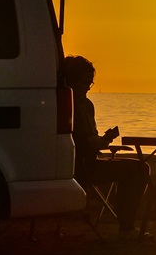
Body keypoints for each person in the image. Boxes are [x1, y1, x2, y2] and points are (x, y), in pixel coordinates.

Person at [63, 55, 150, 240]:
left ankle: (126, 223)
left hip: (90, 160)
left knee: (142, 167)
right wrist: (99, 142)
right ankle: (126, 228)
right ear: (72, 80)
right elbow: (83, 141)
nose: (87, 87)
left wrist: (102, 141)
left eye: (90, 83)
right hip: (78, 166)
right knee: (134, 171)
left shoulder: (87, 105)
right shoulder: (66, 105)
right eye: (84, 82)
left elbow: (90, 139)